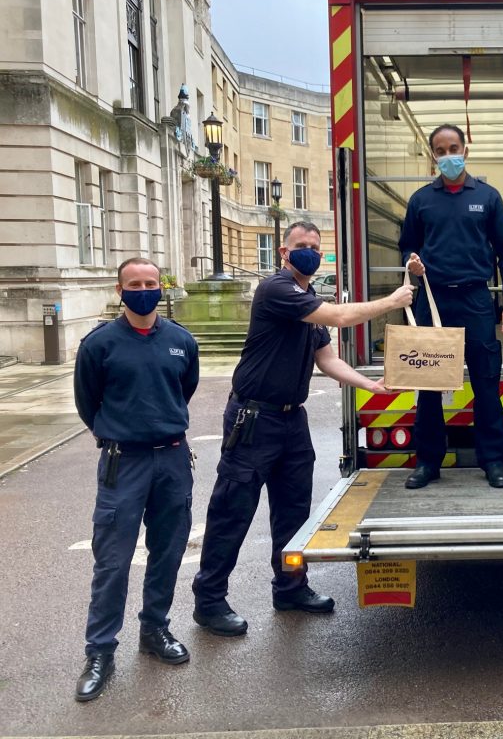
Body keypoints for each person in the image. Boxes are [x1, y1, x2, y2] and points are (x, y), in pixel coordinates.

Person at [191, 221, 413, 636]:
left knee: (293, 509)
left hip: (293, 420)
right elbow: (342, 315)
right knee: (232, 511)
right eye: (301, 246)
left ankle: (291, 586)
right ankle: (209, 600)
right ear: (283, 251)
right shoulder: (277, 290)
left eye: (315, 246)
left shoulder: (308, 300)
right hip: (254, 419)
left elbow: (326, 359)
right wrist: (392, 301)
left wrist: (370, 385)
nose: (309, 251)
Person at [73, 257, 200, 702]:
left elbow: (184, 389)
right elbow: (88, 404)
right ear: (120, 289)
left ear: (160, 287)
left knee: (167, 552)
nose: (144, 289)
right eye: (135, 283)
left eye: (150, 282)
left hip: (171, 459)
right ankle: (100, 652)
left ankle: (155, 630)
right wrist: (122, 431)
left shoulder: (182, 341)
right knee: (112, 561)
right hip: (122, 463)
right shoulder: (99, 344)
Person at [399, 124, 503, 491]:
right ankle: (428, 463)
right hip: (433, 301)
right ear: (432, 155)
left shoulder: (488, 197)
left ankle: (493, 462)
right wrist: (412, 264)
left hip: (475, 300)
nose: (447, 155)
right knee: (429, 386)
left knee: (485, 385)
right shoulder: (421, 200)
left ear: (465, 150)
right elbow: (407, 247)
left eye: (453, 148)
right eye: (440, 150)